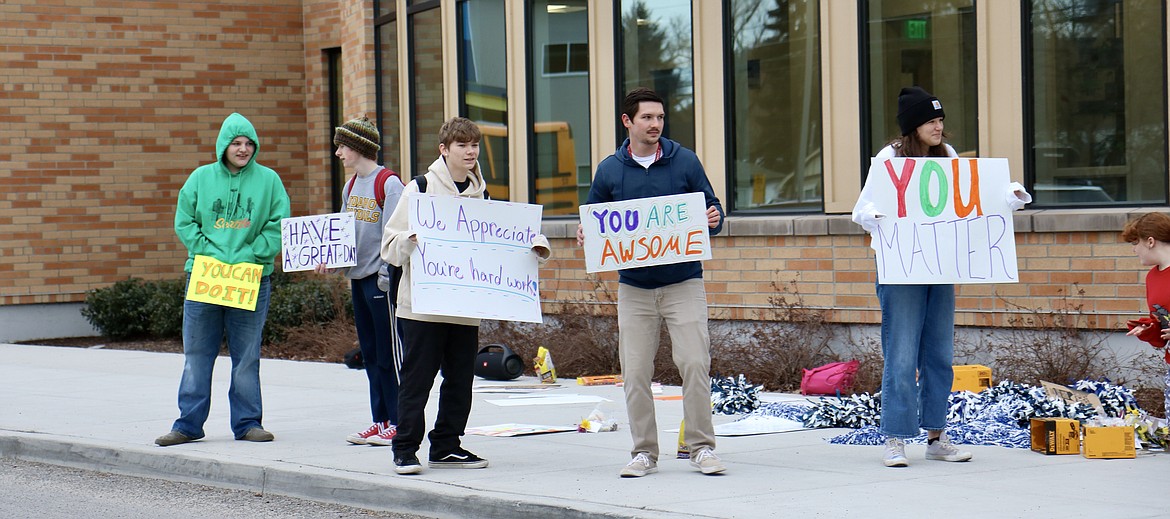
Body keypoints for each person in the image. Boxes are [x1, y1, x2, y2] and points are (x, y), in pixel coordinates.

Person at [852, 86, 1031, 467]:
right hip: (901, 270)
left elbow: (972, 201)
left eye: (940, 120)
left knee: (938, 354)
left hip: (940, 267)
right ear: (913, 125)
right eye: (931, 121)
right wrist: (875, 217)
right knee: (900, 355)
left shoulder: (948, 156)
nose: (939, 127)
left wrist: (1010, 197)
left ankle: (936, 435)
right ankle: (896, 438)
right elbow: (860, 210)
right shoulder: (891, 158)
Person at [381, 117, 551, 475]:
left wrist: (535, 245)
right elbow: (388, 248)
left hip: (463, 309)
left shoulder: (482, 197)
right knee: (417, 381)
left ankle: (446, 445)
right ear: (444, 150)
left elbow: (500, 243)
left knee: (459, 381)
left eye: (474, 145)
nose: (470, 151)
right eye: (462, 145)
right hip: (422, 309)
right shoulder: (420, 190)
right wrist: (409, 242)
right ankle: (405, 448)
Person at [576, 87, 726, 477]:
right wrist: (587, 234)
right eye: (647, 118)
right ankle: (644, 452)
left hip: (684, 283)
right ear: (628, 122)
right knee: (636, 371)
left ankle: (701, 448)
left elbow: (713, 208)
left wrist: (715, 219)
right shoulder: (610, 170)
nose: (655, 124)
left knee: (695, 363)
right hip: (635, 289)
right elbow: (595, 219)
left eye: (659, 118)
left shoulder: (685, 161)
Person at [157, 112, 290, 446]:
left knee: (246, 356)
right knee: (197, 355)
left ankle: (247, 423)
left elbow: (278, 224)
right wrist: (206, 251)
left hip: (251, 278)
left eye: (248, 143)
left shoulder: (269, 180)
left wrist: (252, 254)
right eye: (236, 143)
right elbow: (184, 220)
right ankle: (187, 424)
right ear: (223, 146)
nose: (243, 149)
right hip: (206, 277)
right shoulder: (201, 178)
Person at [315, 116, 405, 447]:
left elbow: (395, 236)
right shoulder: (350, 187)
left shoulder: (390, 184)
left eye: (341, 147)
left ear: (357, 147)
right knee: (368, 353)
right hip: (358, 280)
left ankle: (398, 421)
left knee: (389, 355)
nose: (337, 153)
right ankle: (379, 420)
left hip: (380, 284)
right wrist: (331, 262)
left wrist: (385, 279)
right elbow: (344, 235)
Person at [1122, 212, 1170, 421]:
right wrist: (1149, 329)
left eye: (1135, 242)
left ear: (1150, 241)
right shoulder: (1153, 277)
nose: (1134, 249)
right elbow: (1163, 326)